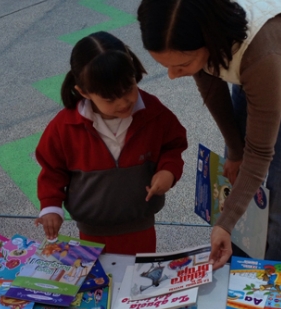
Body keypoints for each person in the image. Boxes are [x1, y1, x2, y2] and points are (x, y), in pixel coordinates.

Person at [137, 0, 281, 269]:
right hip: (258, 73)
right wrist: (235, 149)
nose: (172, 75)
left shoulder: (259, 52)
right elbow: (212, 89)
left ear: (210, 41)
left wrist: (224, 223)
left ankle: (273, 295)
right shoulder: (196, 32)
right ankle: (237, 278)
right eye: (166, 65)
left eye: (182, 65)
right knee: (238, 198)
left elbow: (260, 152)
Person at [35, 31, 188, 255]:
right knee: (97, 282)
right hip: (91, 229)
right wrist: (50, 206)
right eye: (109, 99)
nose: (123, 102)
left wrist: (168, 171)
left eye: (128, 90)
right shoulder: (65, 126)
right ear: (83, 92)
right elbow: (51, 168)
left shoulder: (154, 113)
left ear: (134, 74)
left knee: (138, 280)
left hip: (140, 225)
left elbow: (173, 145)